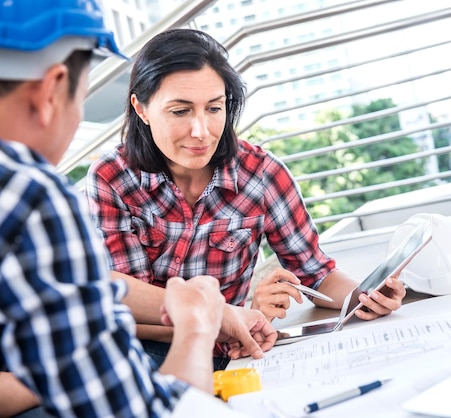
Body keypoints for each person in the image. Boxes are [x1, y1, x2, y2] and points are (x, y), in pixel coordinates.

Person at [0, 1, 274, 417]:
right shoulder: (27, 192)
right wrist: (198, 326)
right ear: (51, 90)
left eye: (214, 108)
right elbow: (140, 411)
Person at [85, 28, 407, 368]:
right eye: (180, 111)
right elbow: (127, 305)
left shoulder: (263, 175)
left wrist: (367, 296)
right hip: (137, 354)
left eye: (213, 108)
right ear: (142, 108)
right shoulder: (111, 177)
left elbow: (316, 273)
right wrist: (228, 319)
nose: (201, 131)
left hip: (232, 353)